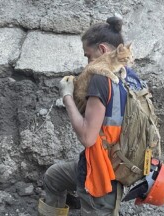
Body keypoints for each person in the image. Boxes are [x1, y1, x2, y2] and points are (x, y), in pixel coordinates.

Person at [38, 16, 145, 216]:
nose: (87, 63)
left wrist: (67, 96)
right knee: (54, 176)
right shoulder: (131, 77)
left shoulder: (100, 80)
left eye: (88, 56)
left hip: (101, 174)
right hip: (121, 163)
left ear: (103, 50)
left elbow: (88, 138)